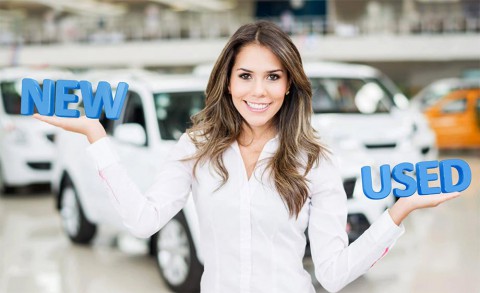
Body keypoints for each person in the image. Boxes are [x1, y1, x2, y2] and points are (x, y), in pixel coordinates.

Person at [34, 20, 460, 293]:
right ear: (228, 80)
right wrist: (95, 136)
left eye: (273, 77)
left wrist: (398, 212)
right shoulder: (197, 147)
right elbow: (142, 221)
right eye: (246, 76)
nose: (259, 91)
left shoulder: (314, 159)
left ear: (290, 84)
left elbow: (331, 274)